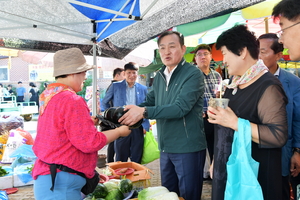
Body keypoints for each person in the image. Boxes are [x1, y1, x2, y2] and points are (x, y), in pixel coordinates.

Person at [32, 48, 131, 200]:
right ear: (73, 72)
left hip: (51, 176)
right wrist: (119, 132)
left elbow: (58, 128)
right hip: (60, 183)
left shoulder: (48, 94)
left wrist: (86, 123)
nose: (86, 76)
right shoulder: (72, 100)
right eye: (83, 72)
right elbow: (89, 142)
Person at [118, 31, 206, 200]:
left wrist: (143, 112)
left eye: (172, 47)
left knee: (188, 195)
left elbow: (181, 108)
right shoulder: (159, 75)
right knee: (168, 195)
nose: (166, 52)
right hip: (165, 147)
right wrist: (127, 114)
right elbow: (149, 102)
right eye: (162, 48)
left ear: (183, 49)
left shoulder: (193, 74)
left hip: (188, 147)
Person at [207, 25, 288, 200]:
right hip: (227, 171)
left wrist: (235, 123)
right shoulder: (233, 83)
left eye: (225, 53)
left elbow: (278, 136)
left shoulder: (268, 86)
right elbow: (224, 130)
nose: (223, 60)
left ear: (242, 52)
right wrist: (216, 161)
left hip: (253, 179)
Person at [258, 33, 300, 199]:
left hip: (282, 152)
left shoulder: (293, 82)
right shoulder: (248, 79)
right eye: (257, 52)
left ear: (278, 55)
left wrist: (297, 150)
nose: (258, 57)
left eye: (263, 52)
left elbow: (297, 118)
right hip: (255, 152)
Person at [101, 62, 150, 164]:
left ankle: (135, 178)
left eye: (134, 73)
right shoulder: (115, 86)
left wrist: (146, 125)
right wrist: (110, 118)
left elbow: (147, 106)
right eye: (129, 73)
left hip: (138, 125)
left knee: (137, 156)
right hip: (121, 125)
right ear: (124, 73)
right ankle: (120, 178)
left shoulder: (143, 89)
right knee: (120, 156)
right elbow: (104, 102)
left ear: (137, 73)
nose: (132, 75)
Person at [194, 44, 222, 165]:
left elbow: (219, 96)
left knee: (215, 147)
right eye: (199, 55)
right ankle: (200, 176)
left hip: (215, 117)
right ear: (195, 58)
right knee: (198, 150)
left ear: (211, 56)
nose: (202, 57)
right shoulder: (191, 76)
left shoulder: (217, 75)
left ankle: (213, 174)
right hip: (199, 119)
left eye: (205, 54)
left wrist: (220, 95)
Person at [104, 67, 124, 163]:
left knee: (113, 142)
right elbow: (105, 102)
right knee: (113, 142)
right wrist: (110, 114)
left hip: (114, 119)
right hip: (113, 119)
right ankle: (111, 162)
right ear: (117, 75)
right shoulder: (113, 86)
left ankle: (111, 162)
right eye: (124, 75)